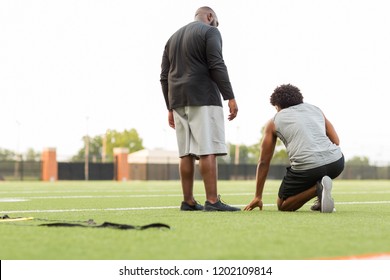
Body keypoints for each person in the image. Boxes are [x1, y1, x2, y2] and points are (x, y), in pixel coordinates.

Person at [160, 6, 240, 212]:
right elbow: (216, 63)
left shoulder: (172, 38)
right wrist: (229, 96)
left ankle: (188, 201)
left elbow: (164, 76)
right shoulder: (210, 31)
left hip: (177, 99)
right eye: (216, 22)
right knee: (207, 149)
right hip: (203, 96)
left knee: (185, 152)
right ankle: (212, 201)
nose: (216, 26)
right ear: (210, 16)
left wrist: (169, 107)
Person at [244, 84, 344, 213]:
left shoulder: (273, 122)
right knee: (318, 171)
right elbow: (336, 141)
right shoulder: (316, 109)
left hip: (308, 168)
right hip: (336, 163)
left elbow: (263, 162)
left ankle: (318, 189)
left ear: (277, 106)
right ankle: (321, 195)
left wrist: (258, 196)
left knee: (283, 205)